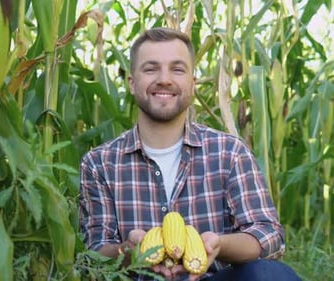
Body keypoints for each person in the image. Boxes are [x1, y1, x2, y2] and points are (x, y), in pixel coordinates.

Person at [79, 27, 301, 281]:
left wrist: (217, 245)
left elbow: (269, 235)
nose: (164, 79)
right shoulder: (99, 163)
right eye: (151, 69)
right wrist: (129, 251)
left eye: (177, 69)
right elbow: (94, 252)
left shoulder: (229, 152)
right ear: (132, 82)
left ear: (192, 83)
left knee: (268, 274)